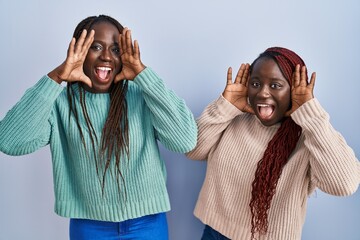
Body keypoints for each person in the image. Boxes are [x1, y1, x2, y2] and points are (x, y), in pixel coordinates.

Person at [0, 15, 197, 239]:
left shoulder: (142, 96)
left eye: (115, 49)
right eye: (96, 47)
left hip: (147, 224)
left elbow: (185, 140)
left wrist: (143, 74)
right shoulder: (59, 103)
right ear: (79, 51)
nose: (106, 56)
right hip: (89, 227)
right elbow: (8, 141)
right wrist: (56, 77)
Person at [186, 47, 360, 240]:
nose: (262, 93)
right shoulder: (234, 117)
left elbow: (344, 185)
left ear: (294, 91)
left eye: (276, 85)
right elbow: (192, 150)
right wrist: (226, 105)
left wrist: (310, 114)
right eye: (255, 83)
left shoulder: (309, 136)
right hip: (215, 233)